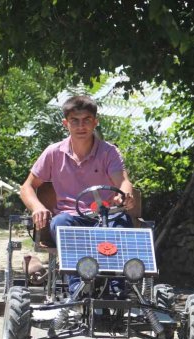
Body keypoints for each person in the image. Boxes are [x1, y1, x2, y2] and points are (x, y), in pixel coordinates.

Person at [20, 95, 135, 296]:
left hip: (105, 217)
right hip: (71, 218)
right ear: (66, 124)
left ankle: (117, 289)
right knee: (62, 223)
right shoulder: (53, 152)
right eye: (75, 121)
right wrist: (38, 207)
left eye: (87, 120)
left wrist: (125, 195)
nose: (81, 126)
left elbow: (123, 181)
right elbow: (27, 187)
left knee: (122, 222)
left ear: (95, 122)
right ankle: (78, 290)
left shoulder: (109, 152)